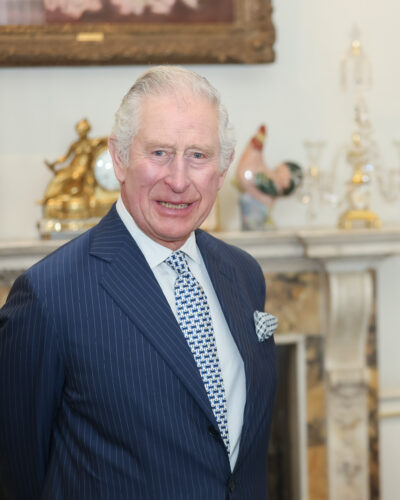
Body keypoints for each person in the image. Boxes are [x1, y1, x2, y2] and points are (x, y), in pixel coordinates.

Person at [0, 66, 277, 499]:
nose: (180, 180)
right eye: (160, 153)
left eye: (198, 156)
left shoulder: (243, 274)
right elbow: (19, 473)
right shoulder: (48, 297)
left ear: (221, 172)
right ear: (120, 158)